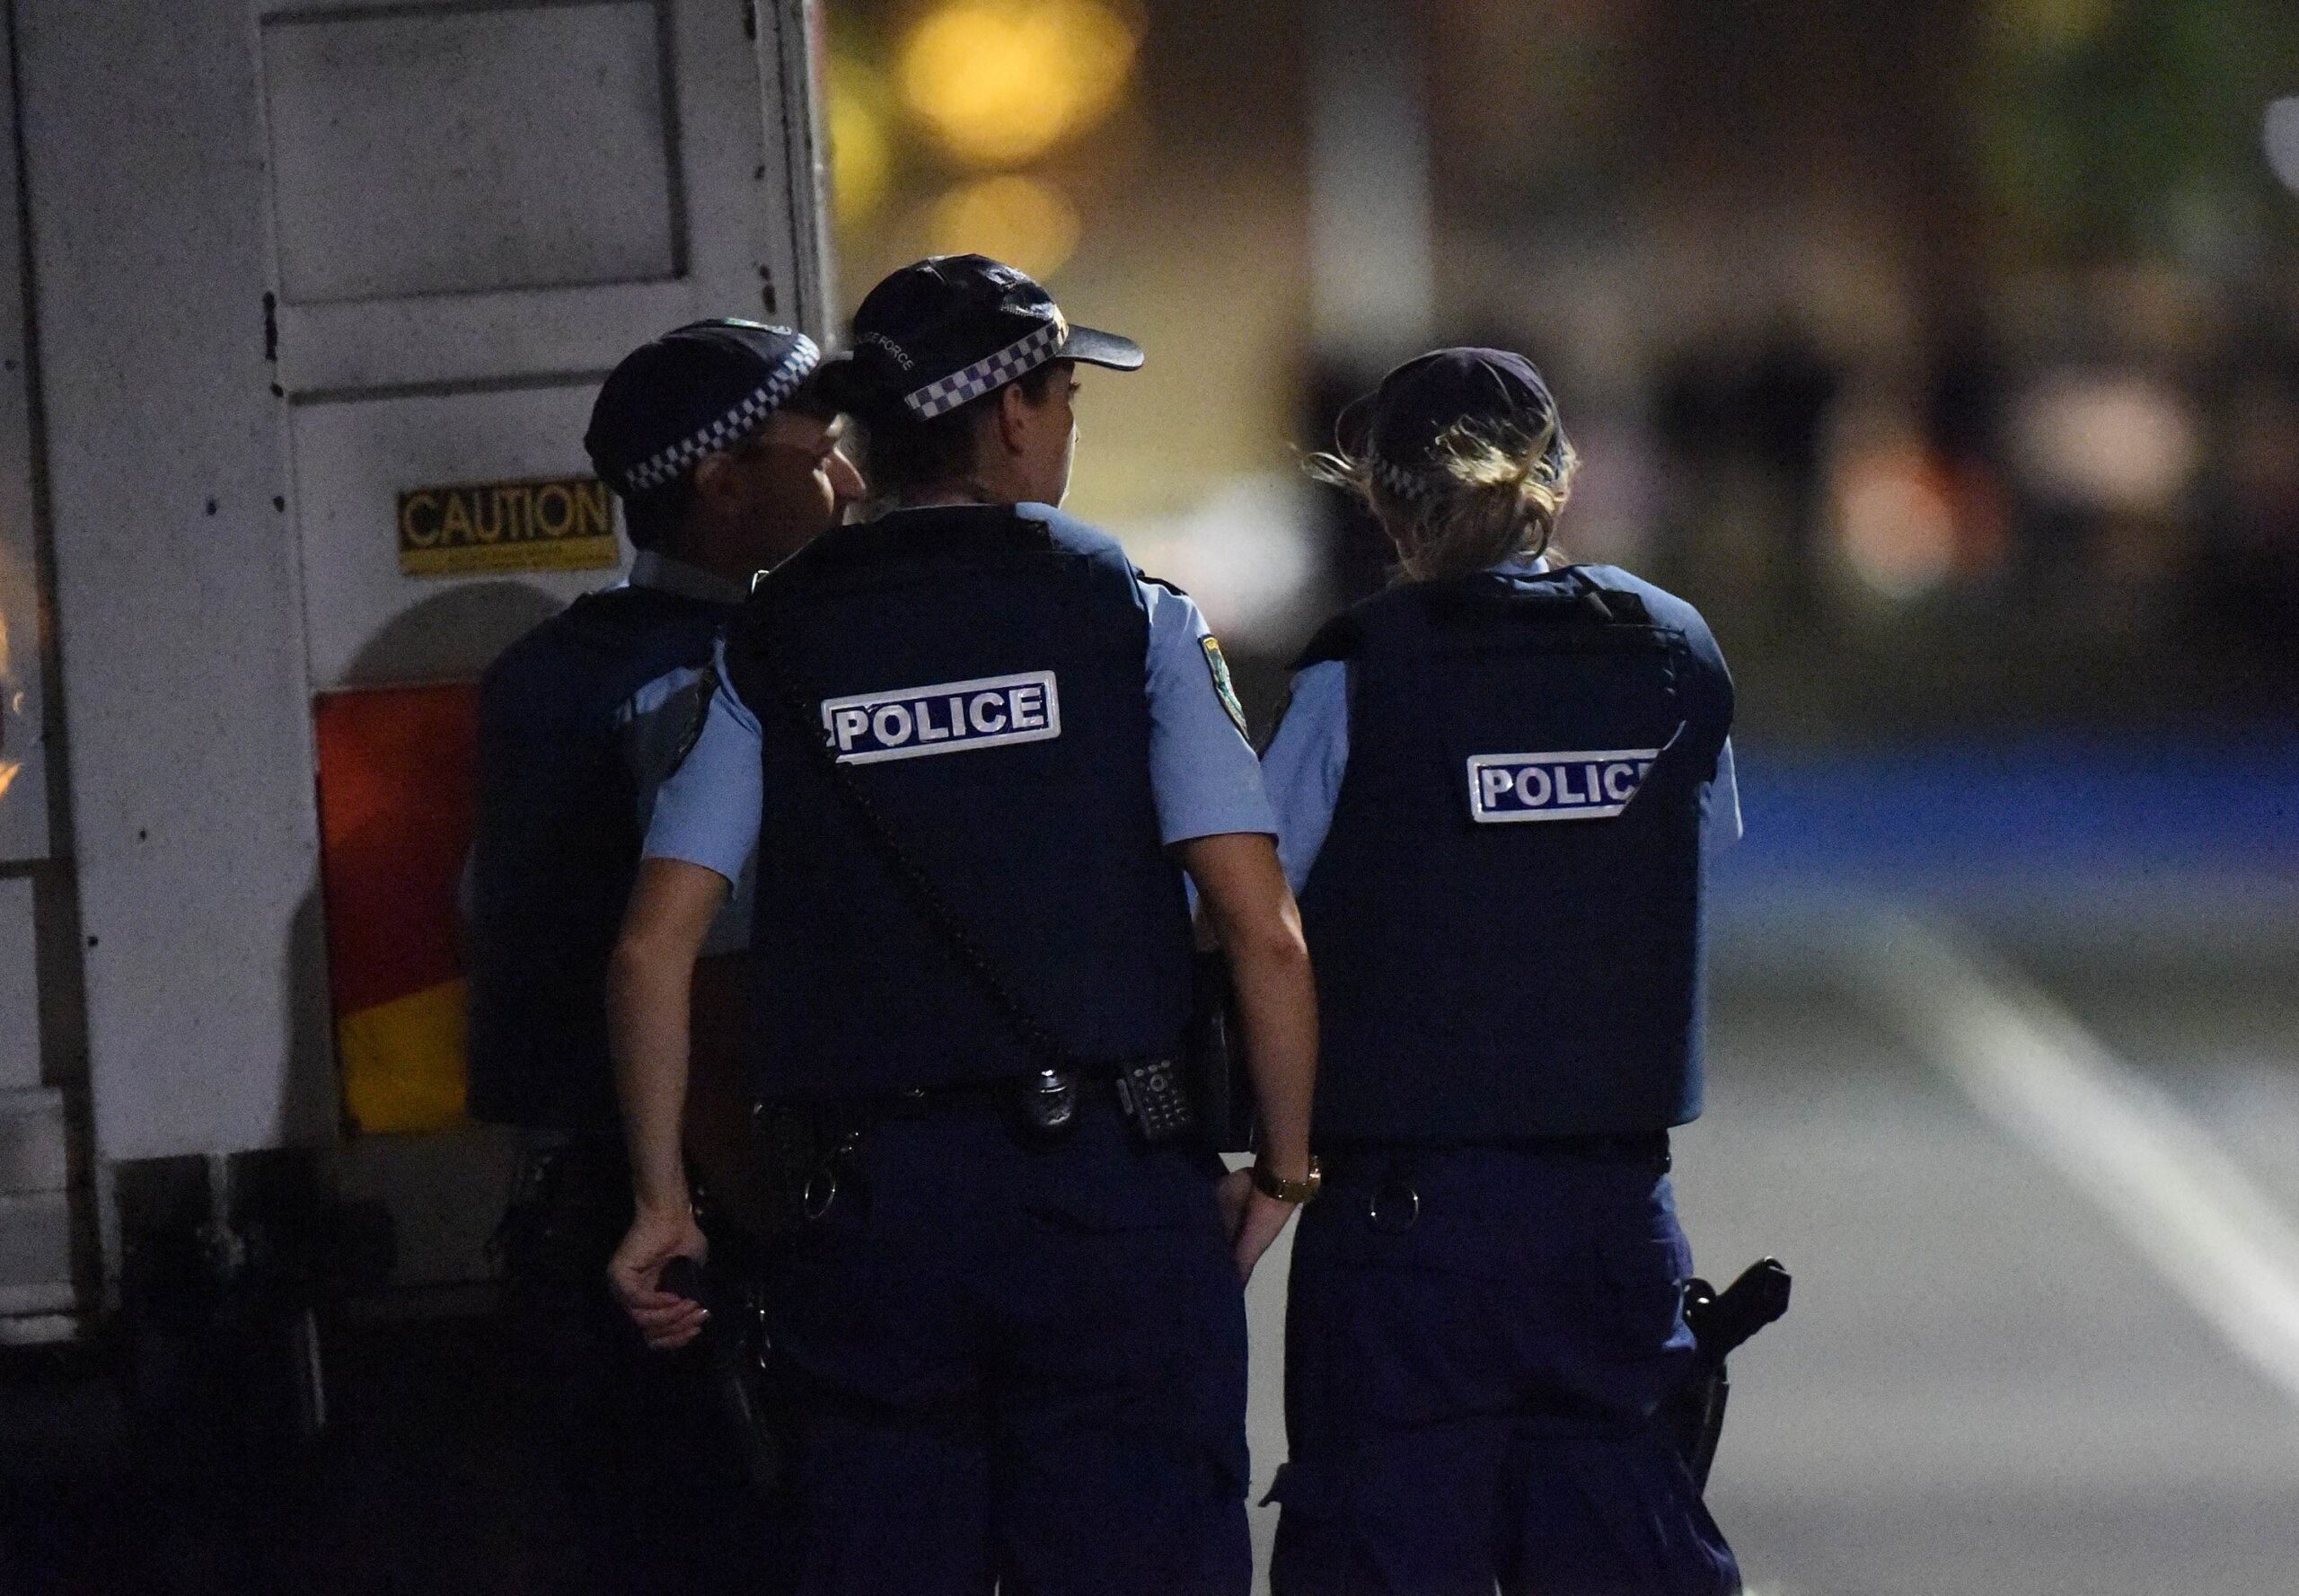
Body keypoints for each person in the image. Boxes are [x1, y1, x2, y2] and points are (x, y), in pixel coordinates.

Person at [604, 254, 1321, 1596]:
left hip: (870, 1220)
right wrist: (1282, 1170)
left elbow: (654, 946)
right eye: (1065, 397)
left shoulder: (773, 636)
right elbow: (1260, 926)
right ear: (1010, 414)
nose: (1065, 426)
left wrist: (661, 1202)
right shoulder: (1131, 613)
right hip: (1107, 1201)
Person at [1260, 348, 1744, 1596]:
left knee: (1382, 1549)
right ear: (1558, 482)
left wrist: (1273, 1160)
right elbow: (1683, 856)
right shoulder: (1672, 648)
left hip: (1406, 1229)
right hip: (1610, 1215)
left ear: (1382, 501)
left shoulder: (1360, 671)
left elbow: (1249, 911)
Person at [465, 319, 860, 1593]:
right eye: (820, 451)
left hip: (570, 1209)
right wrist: (765, 1232)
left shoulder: (540, 675)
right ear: (722, 480)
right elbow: (713, 987)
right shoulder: (724, 682)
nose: (849, 480)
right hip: (701, 1223)